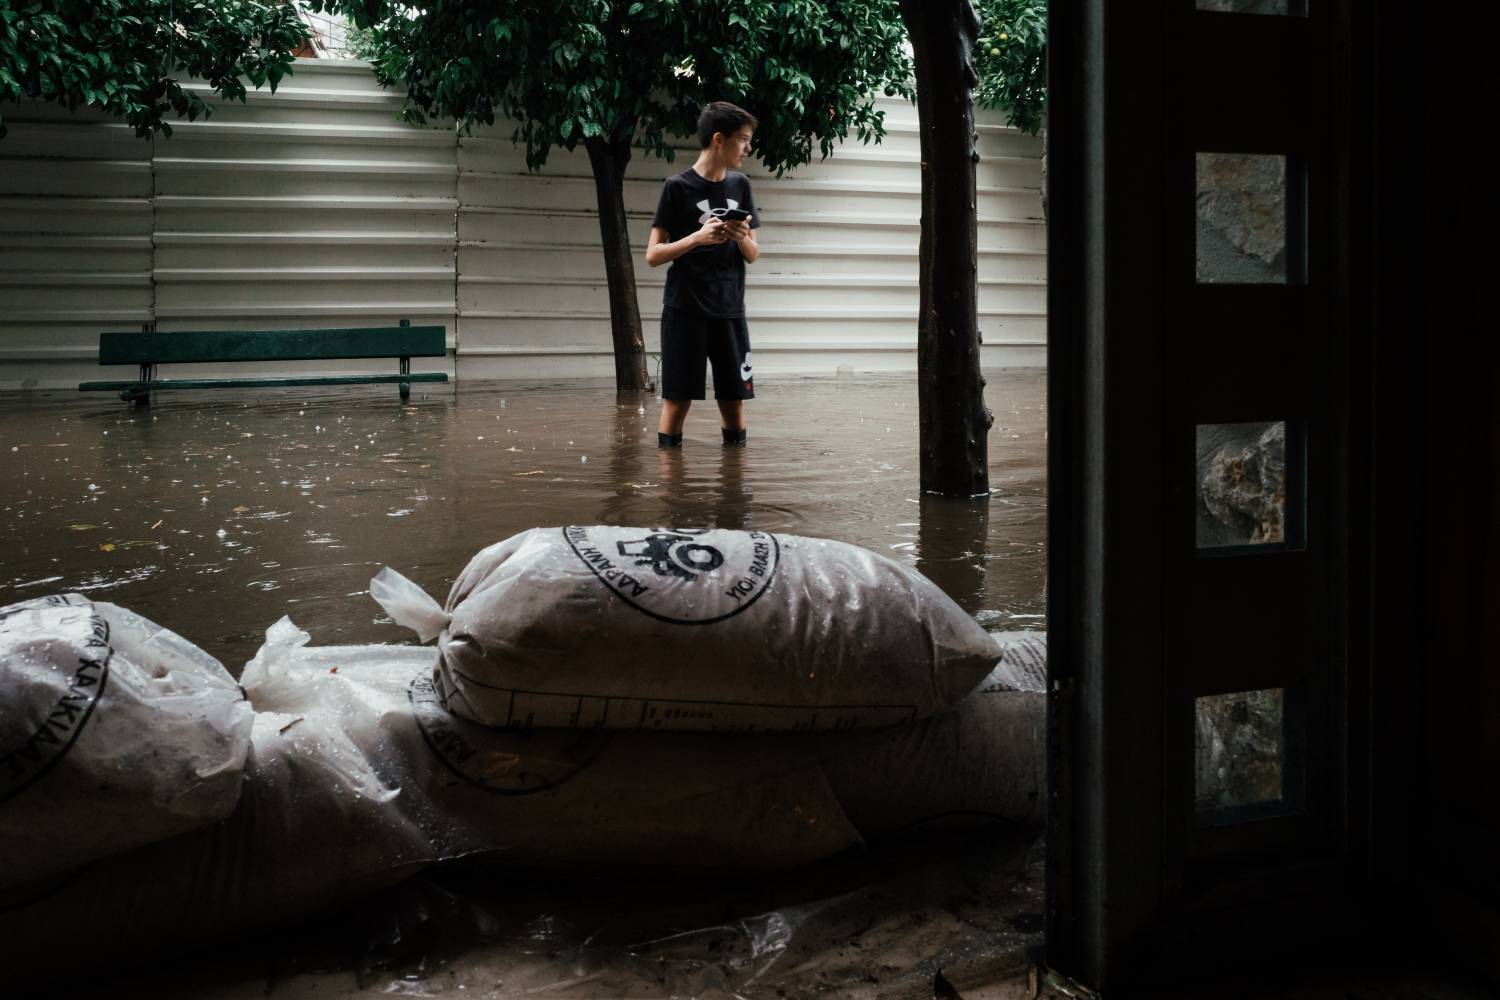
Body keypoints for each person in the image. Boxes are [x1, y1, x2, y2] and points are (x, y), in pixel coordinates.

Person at [645, 101, 760, 448]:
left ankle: (734, 493)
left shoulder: (741, 185)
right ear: (718, 139)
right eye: (743, 139)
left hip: (729, 310)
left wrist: (741, 239)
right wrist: (697, 238)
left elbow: (753, 254)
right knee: (677, 400)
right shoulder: (677, 187)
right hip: (684, 310)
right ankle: (672, 495)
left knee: (734, 401)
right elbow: (652, 255)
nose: (748, 148)